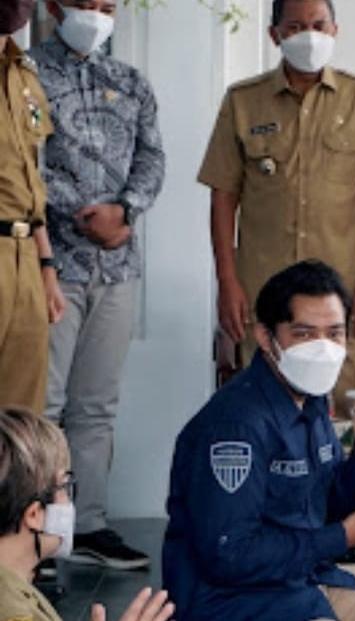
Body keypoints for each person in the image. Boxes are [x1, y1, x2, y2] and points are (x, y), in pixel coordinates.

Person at [162, 260, 355, 621]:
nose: (322, 348)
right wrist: (342, 538)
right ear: (265, 337)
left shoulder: (311, 398)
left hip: (299, 583)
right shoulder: (236, 426)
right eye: (303, 334)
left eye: (334, 333)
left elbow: (327, 507)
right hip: (234, 603)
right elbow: (229, 556)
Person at [199, 0, 355, 414]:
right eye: (295, 27)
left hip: (339, 297)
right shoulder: (243, 102)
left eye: (318, 24)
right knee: (260, 410)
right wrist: (227, 280)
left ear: (335, 31)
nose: (308, 36)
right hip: (262, 293)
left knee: (337, 417)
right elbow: (223, 195)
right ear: (275, 35)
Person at [30, 0, 165, 570]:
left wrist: (125, 210)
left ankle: (86, 526)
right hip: (48, 264)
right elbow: (22, 165)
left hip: (117, 266)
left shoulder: (130, 81)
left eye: (106, 5)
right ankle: (31, 530)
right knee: (44, 406)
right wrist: (86, 212)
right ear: (54, 6)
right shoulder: (25, 74)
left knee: (97, 406)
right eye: (85, 3)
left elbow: (152, 158)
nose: (96, 13)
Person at [0, 407, 174, 621]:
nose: (69, 501)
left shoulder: (17, 587)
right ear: (34, 515)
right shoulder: (13, 611)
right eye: (64, 486)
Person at [0, 0, 65, 415]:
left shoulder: (23, 74)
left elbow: (31, 177)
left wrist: (47, 265)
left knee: (22, 418)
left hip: (25, 257)